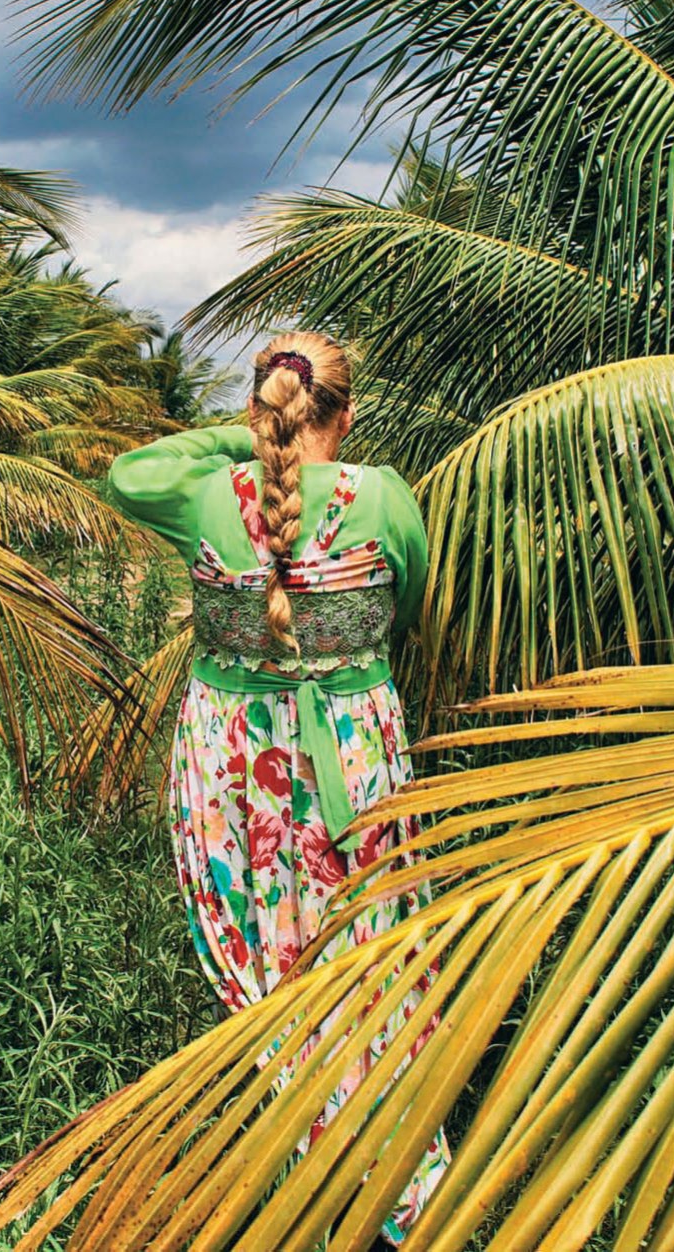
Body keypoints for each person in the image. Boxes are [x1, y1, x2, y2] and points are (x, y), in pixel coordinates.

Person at [105, 331, 447, 1244]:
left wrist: (245, 437)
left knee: (269, 965)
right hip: (351, 755)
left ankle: (304, 1144)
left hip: (232, 765)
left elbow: (128, 476)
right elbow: (406, 607)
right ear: (349, 413)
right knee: (367, 955)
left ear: (262, 408)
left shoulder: (210, 496)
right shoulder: (385, 497)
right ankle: (383, 1159)